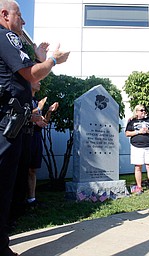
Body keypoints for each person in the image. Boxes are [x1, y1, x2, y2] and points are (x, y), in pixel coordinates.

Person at [0, 1, 69, 255]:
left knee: (9, 187)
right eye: (20, 15)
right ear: (5, 15)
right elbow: (32, 75)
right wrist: (52, 60)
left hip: (12, 124)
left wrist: (39, 60)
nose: (24, 21)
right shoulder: (6, 35)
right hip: (5, 125)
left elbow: (27, 76)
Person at [27, 81, 59, 207]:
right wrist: (40, 107)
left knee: (33, 169)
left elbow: (43, 122)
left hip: (36, 136)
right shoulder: (25, 99)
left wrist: (49, 111)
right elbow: (26, 115)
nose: (39, 82)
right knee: (25, 168)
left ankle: (32, 199)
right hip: (26, 137)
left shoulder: (35, 101)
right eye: (36, 81)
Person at [125, 104, 149, 195]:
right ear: (136, 112)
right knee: (138, 167)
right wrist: (138, 132)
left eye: (144, 110)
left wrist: (147, 131)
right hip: (136, 146)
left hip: (148, 146)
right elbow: (127, 133)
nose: (143, 112)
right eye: (141, 110)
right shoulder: (132, 121)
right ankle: (139, 187)